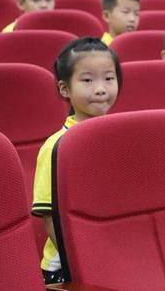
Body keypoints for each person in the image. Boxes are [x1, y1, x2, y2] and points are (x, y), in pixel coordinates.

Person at [32, 37, 121, 284]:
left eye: (109, 78)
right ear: (65, 89)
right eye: (88, 80)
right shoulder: (56, 146)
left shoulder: (121, 137)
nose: (101, 89)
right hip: (67, 266)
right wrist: (80, 262)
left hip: (116, 254)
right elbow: (50, 217)